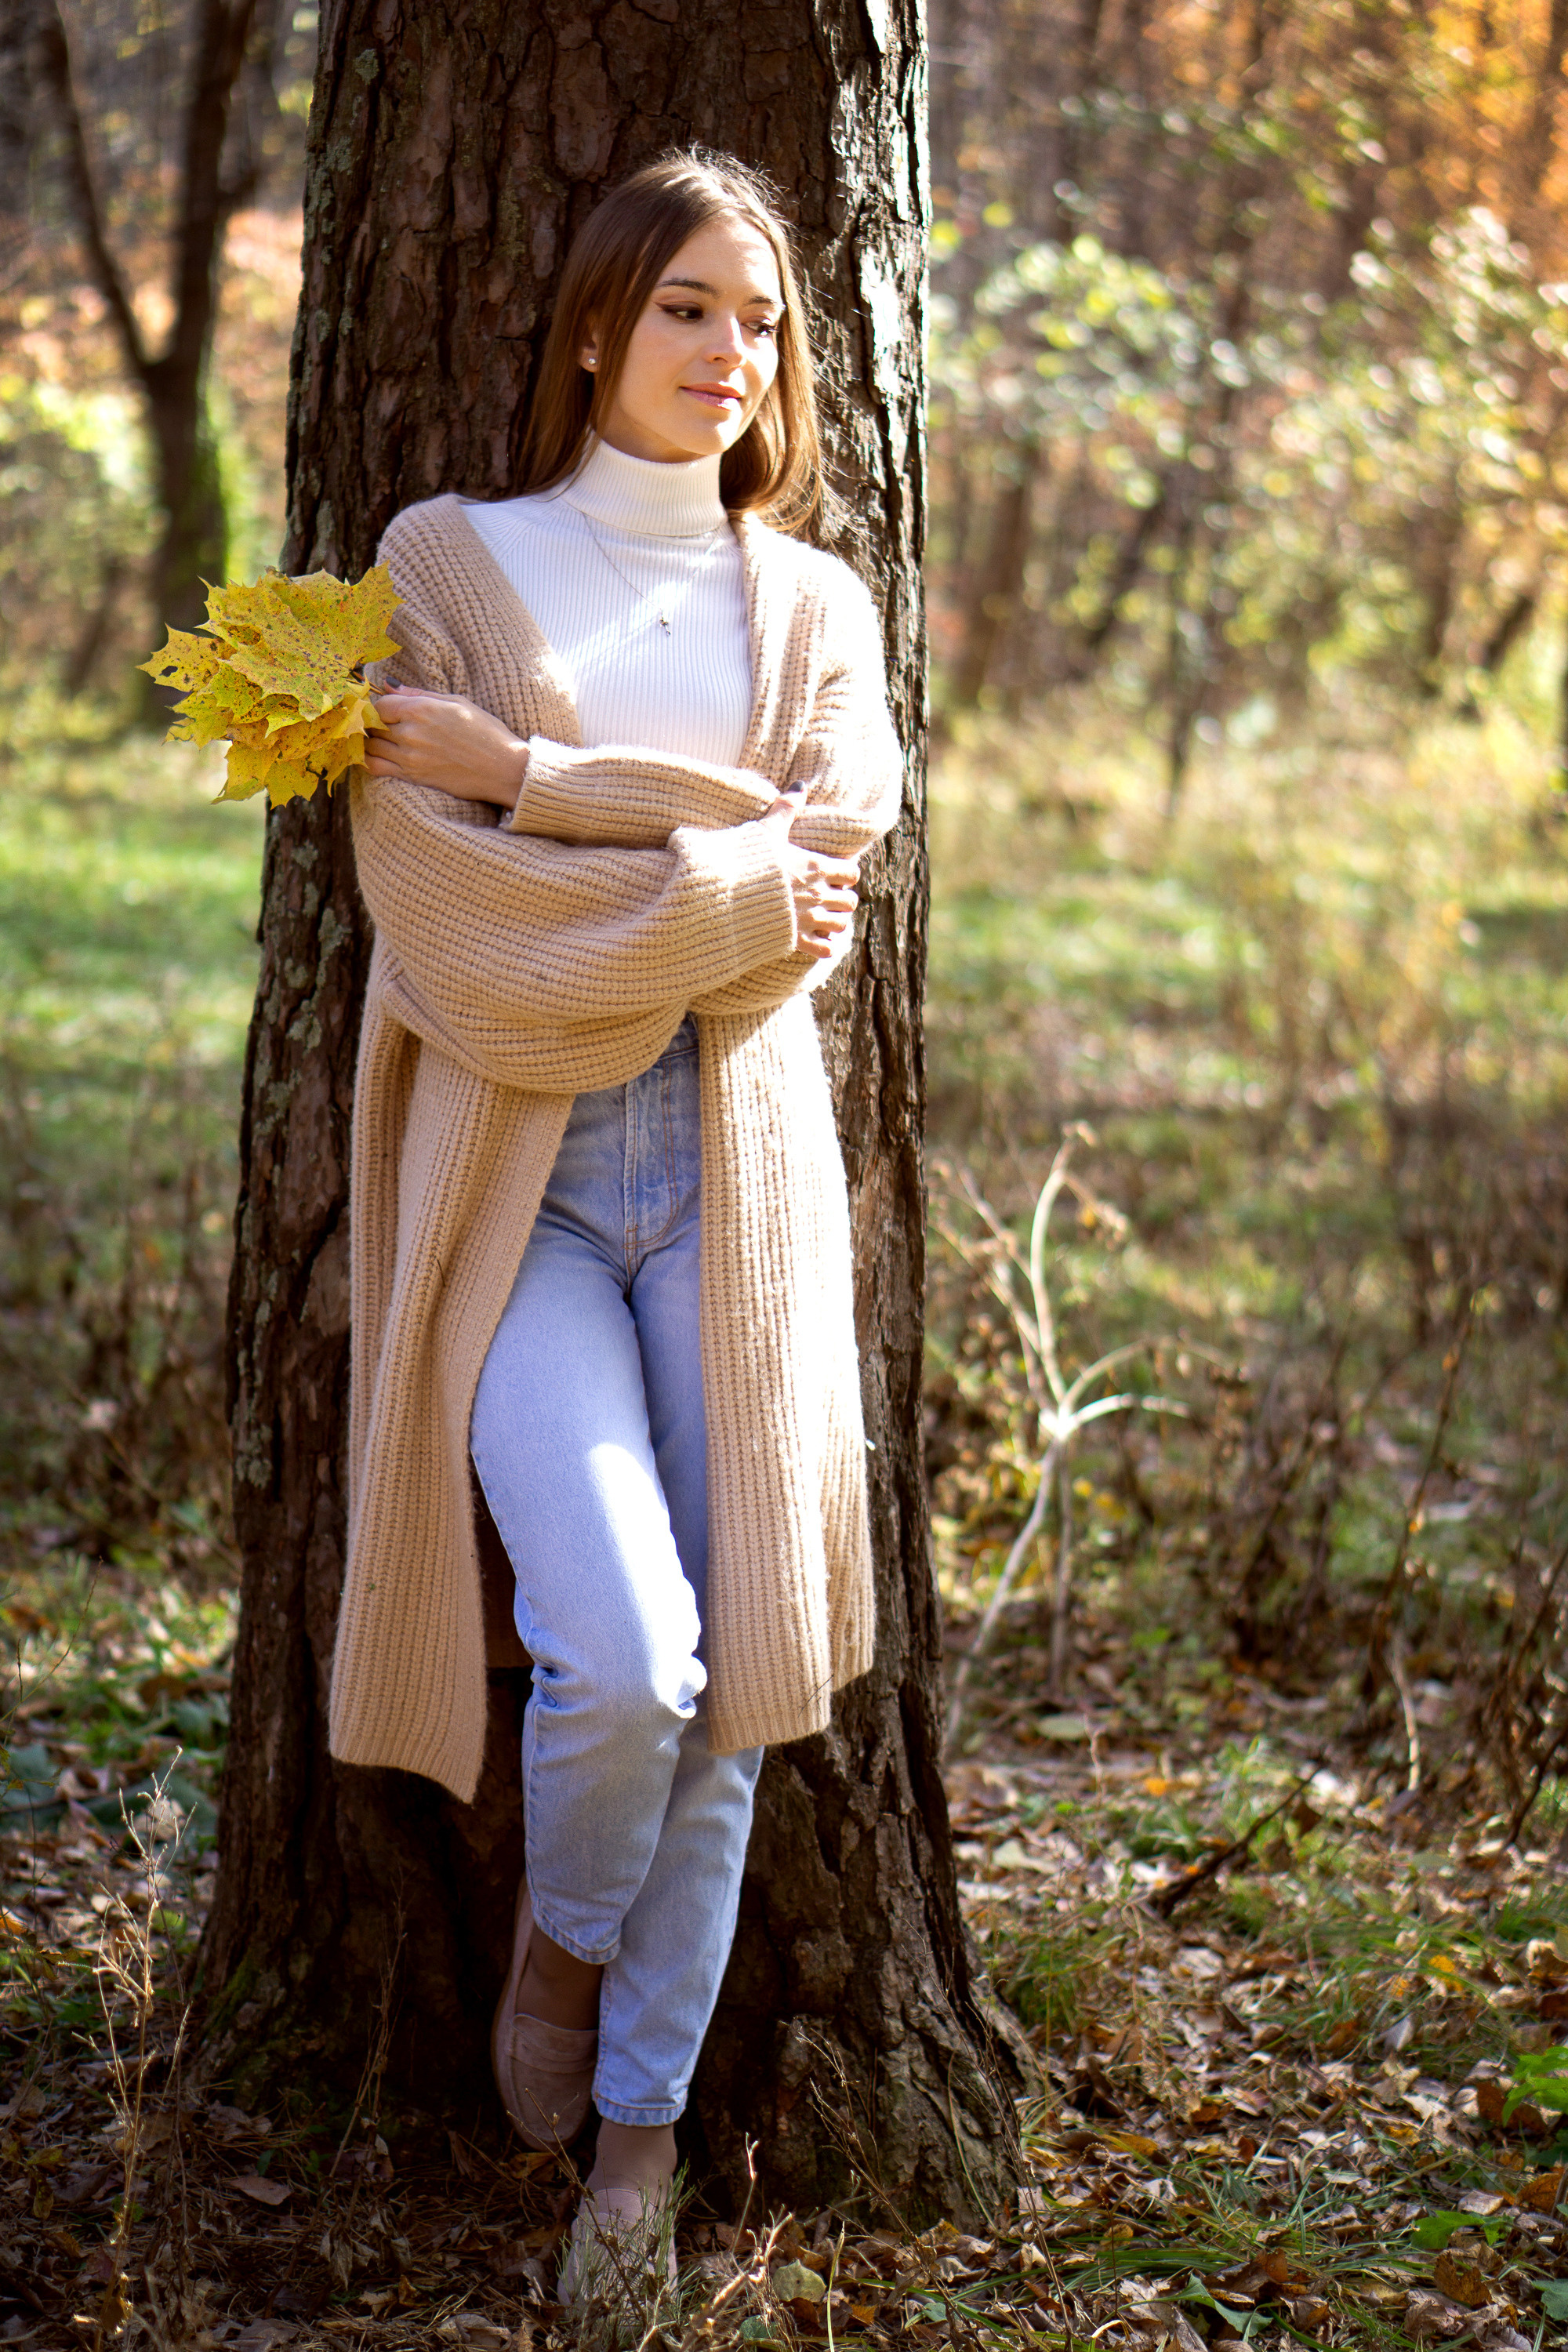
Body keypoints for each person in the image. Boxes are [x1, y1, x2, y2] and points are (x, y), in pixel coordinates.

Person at [330, 147, 903, 2299]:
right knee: (629, 1649)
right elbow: (463, 935)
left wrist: (544, 789)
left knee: (736, 1671)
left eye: (761, 321)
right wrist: (681, 870)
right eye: (688, 308)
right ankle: (563, 1958)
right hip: (522, 1192)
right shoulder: (451, 568)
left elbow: (805, 916)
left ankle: (636, 2145)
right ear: (593, 321)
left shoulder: (818, 612)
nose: (729, 355)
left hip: (732, 1181)